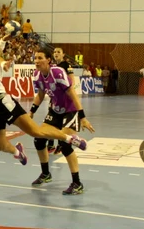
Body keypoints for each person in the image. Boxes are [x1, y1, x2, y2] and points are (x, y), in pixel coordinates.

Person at [0, 30, 88, 165]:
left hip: (1, 102)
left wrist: (4, 64)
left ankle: (70, 139)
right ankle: (18, 152)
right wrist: (3, 39)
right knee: (0, 146)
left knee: (36, 132)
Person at [29, 48, 95, 193]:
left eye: (40, 58)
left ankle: (77, 183)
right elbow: (40, 94)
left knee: (65, 145)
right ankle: (46, 173)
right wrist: (32, 111)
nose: (37, 61)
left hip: (70, 111)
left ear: (48, 60)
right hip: (55, 110)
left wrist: (82, 117)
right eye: (35, 58)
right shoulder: (37, 75)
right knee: (38, 139)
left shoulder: (57, 72)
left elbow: (72, 93)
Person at [46, 46, 77, 154]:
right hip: (54, 97)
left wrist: (67, 92)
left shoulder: (66, 65)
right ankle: (50, 144)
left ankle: (60, 145)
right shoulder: (52, 66)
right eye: (54, 52)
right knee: (51, 119)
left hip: (63, 98)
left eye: (58, 52)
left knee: (59, 122)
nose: (56, 53)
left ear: (63, 55)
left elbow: (72, 80)